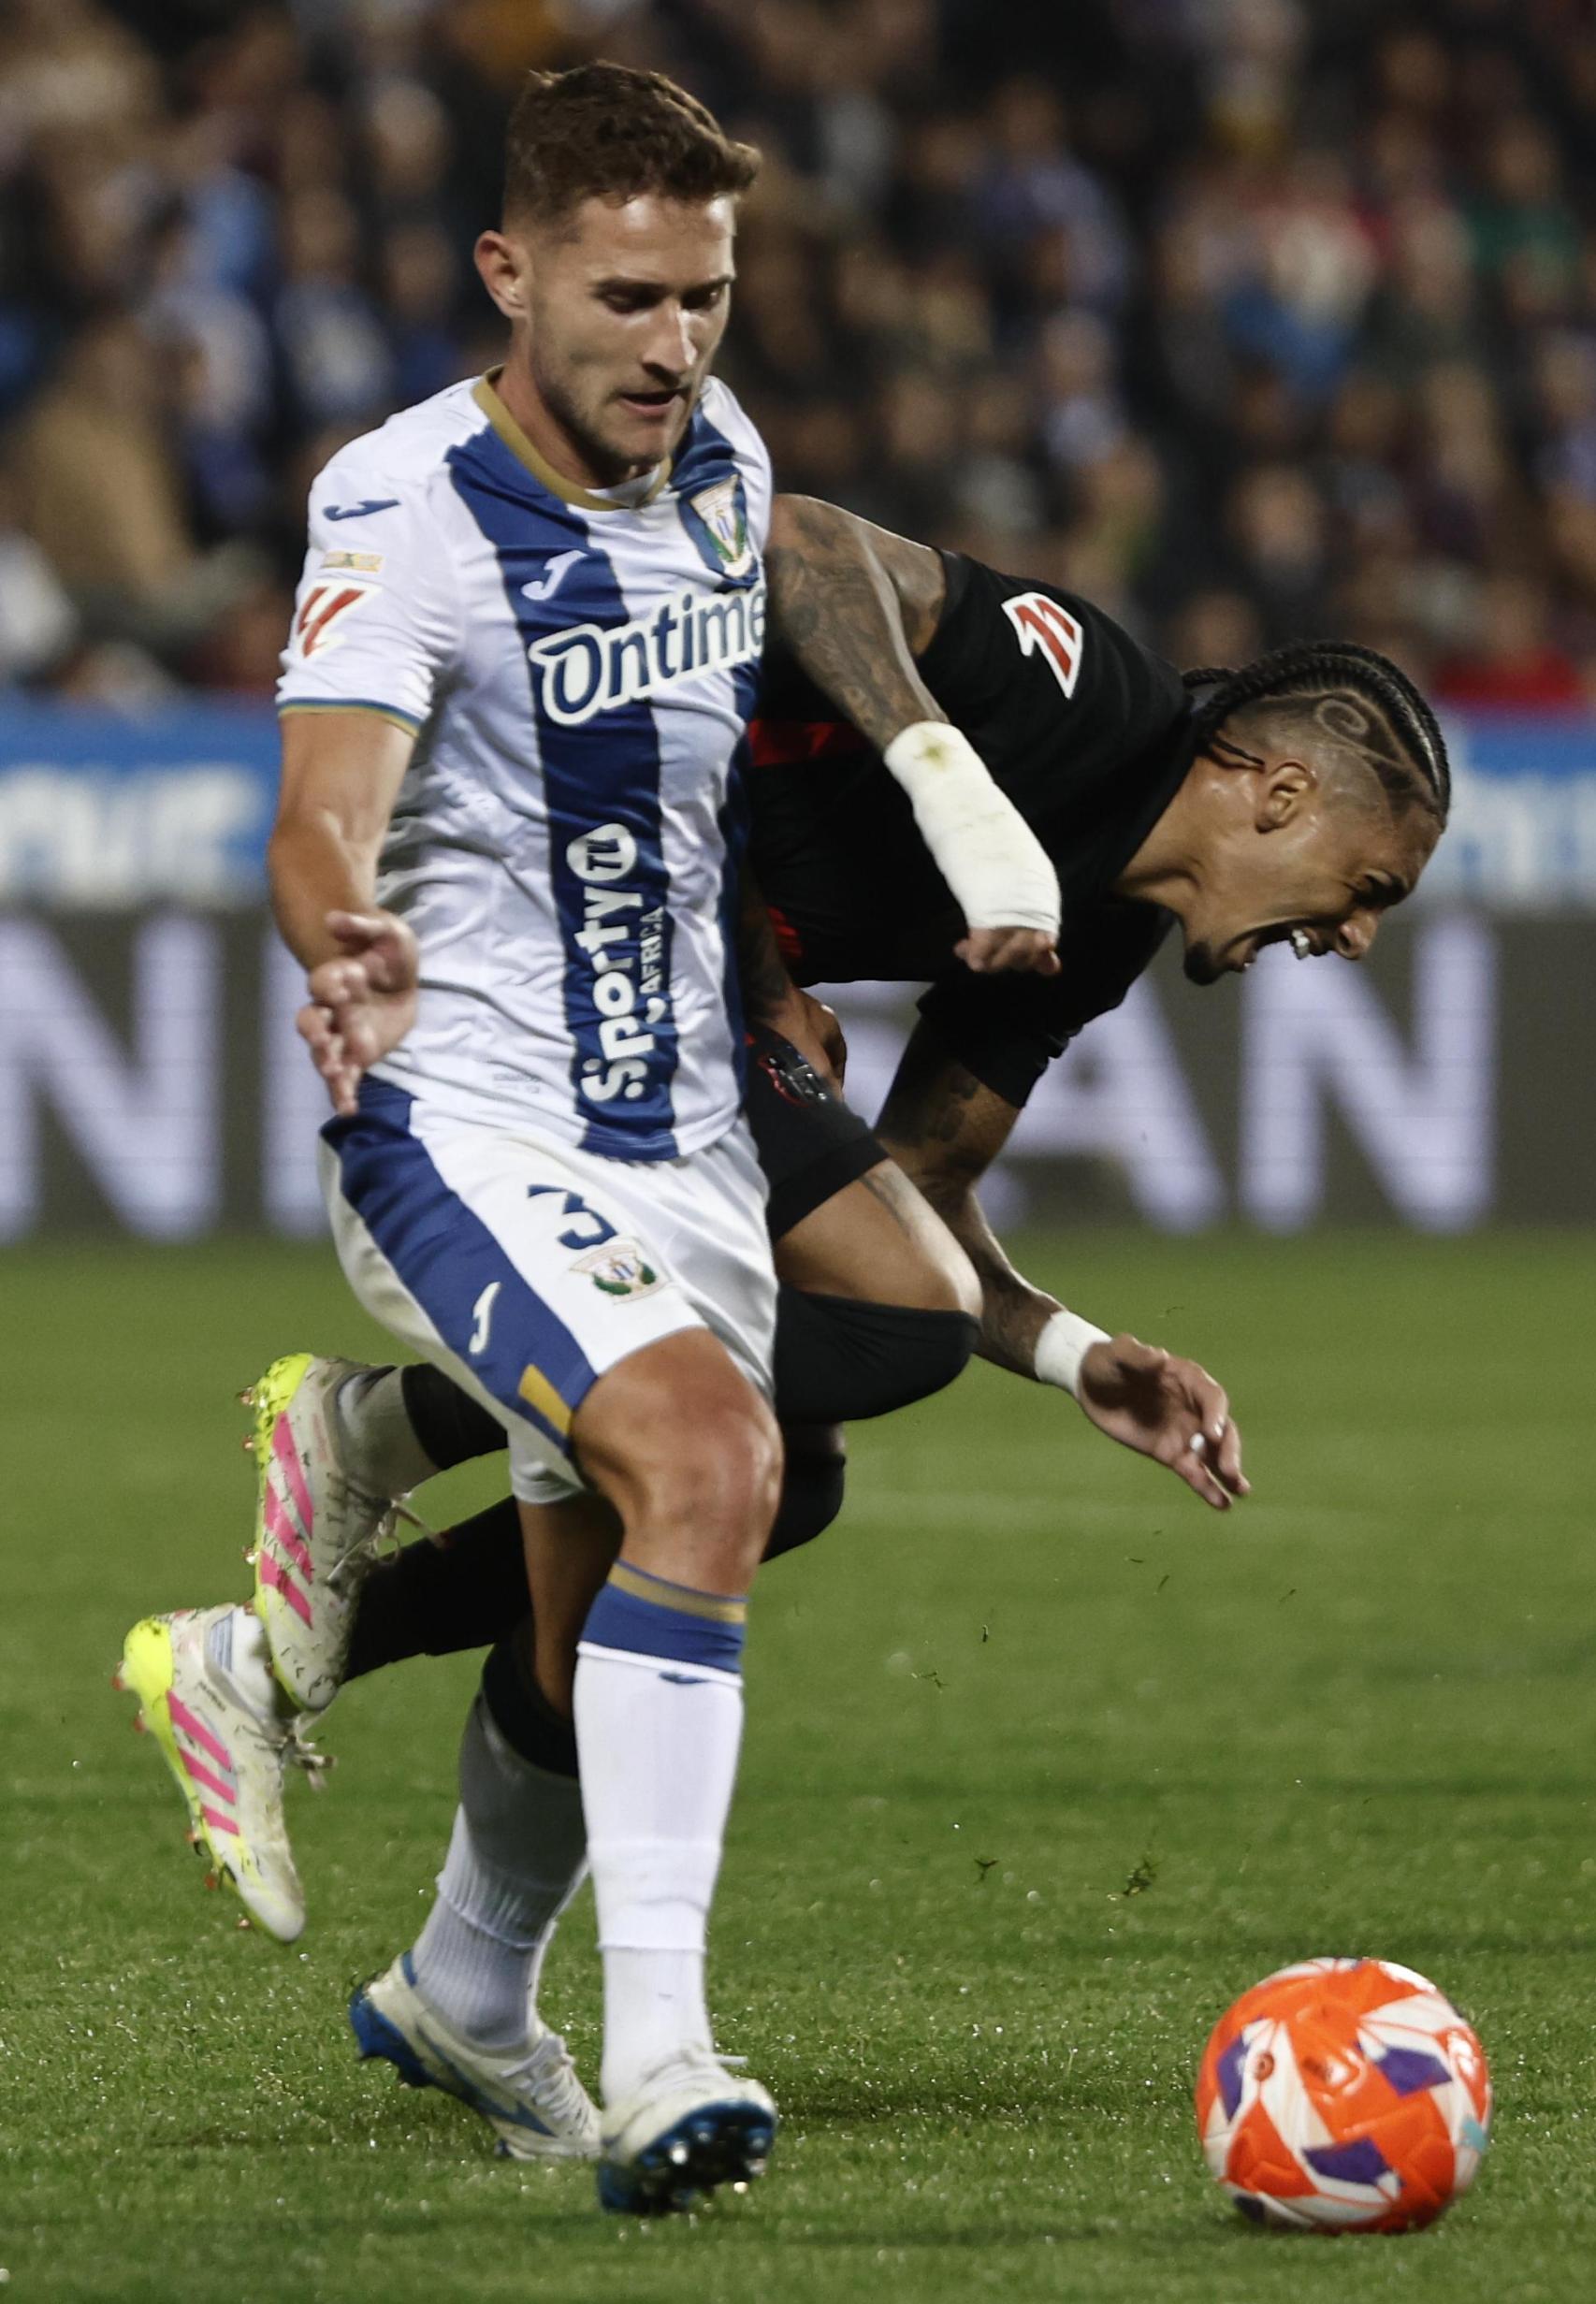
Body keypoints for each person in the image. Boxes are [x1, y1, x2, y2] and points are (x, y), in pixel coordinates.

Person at [121, 485, 1448, 2162]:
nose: (1354, 932)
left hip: (681, 979)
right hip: (554, 883)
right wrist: (940, 788)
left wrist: (1065, 1348)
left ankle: (318, 1730)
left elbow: (916, 1192)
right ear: (1278, 788)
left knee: (767, 1477)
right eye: (1367, 882)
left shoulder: (1097, 929)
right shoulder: (1085, 698)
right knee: (863, 1344)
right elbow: (801, 546)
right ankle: (385, 1425)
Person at [113, 62, 1069, 2220]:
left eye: (707, 297)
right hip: (460, 1116)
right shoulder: (401, 504)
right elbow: (319, 805)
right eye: (628, 297)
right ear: (509, 270)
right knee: (715, 1461)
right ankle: (665, 2054)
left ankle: (467, 1981)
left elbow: (728, 707)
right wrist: (341, 927)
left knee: (602, 1595)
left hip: (684, 1132)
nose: (674, 345)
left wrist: (829, 889)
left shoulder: (717, 464)